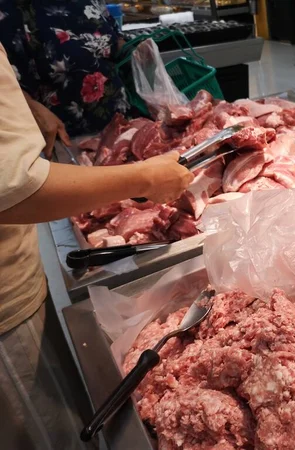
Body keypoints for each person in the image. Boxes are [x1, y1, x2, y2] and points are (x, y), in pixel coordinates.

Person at [0, 43, 193, 449]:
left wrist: (26, 106)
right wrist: (141, 178)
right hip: (4, 307)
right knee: (45, 432)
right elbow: (15, 189)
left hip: (14, 272)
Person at [0, 0, 128, 155]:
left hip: (119, 128)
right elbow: (6, 83)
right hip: (65, 142)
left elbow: (115, 41)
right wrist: (32, 108)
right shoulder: (10, 9)